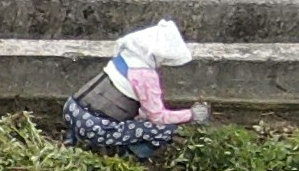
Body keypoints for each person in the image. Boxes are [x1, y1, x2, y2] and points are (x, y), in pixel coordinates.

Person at [59, 18, 208, 157]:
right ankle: (127, 155)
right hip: (95, 127)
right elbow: (158, 117)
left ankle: (73, 140)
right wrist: (191, 115)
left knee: (136, 120)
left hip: (71, 109)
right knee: (163, 130)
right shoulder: (145, 76)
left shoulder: (126, 56)